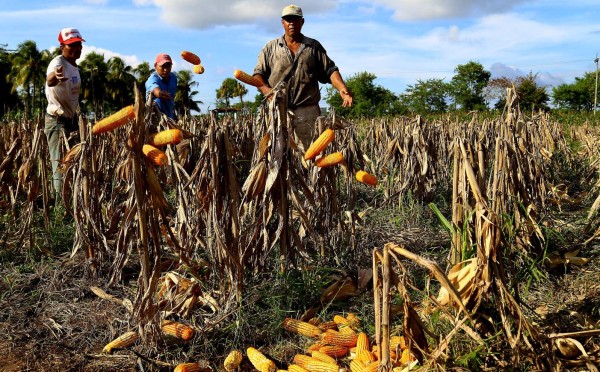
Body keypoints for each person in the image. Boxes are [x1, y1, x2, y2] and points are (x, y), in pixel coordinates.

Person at [252, 4, 353, 148]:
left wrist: (342, 88)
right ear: (282, 23)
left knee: (309, 157)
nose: (291, 23)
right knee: (276, 155)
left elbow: (330, 70)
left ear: (302, 22)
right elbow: (258, 75)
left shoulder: (313, 47)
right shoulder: (270, 48)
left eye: (295, 19)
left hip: (307, 112)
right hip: (278, 110)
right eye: (288, 20)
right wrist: (266, 91)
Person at [45, 27, 85, 199]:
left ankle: (70, 198)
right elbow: (50, 79)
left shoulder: (74, 66)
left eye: (78, 45)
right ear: (62, 47)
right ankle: (58, 202)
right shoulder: (58, 62)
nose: (76, 49)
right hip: (57, 120)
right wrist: (55, 77)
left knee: (72, 161)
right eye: (72, 45)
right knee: (59, 162)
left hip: (71, 120)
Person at [146, 53, 177, 120]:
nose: (166, 70)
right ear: (155, 66)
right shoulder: (152, 78)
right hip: (155, 120)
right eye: (163, 66)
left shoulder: (173, 78)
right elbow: (154, 88)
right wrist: (160, 93)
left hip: (170, 118)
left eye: (168, 66)